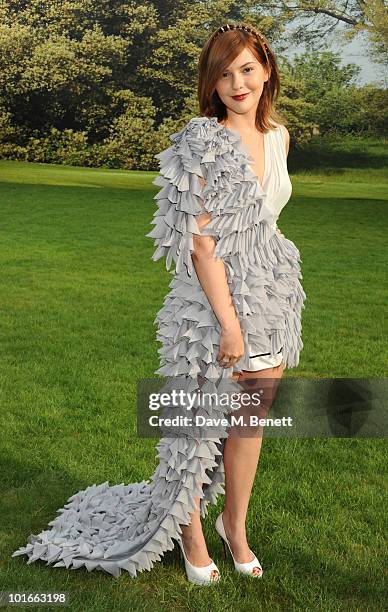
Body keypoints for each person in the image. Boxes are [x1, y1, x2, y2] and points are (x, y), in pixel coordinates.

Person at [11, 22, 306, 585]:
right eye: (223, 73)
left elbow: (266, 219)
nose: (236, 83)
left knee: (251, 422)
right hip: (210, 299)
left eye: (246, 69)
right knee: (193, 427)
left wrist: (265, 292)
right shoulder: (202, 138)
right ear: (211, 83)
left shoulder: (280, 137)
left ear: (266, 70)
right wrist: (228, 324)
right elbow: (200, 243)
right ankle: (191, 535)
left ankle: (233, 526)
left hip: (269, 291)